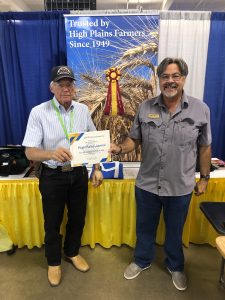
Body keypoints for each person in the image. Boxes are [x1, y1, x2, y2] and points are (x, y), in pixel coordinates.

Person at [111, 57, 211, 291]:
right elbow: (134, 140)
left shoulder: (200, 109)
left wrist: (204, 178)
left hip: (180, 186)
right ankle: (141, 260)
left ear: (183, 79)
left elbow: (205, 146)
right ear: (159, 79)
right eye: (165, 76)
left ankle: (176, 266)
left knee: (175, 232)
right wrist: (119, 148)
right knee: (144, 228)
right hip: (147, 185)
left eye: (175, 76)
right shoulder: (146, 107)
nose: (170, 81)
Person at [22, 66, 103, 287]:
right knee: (53, 222)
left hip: (78, 173)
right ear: (52, 87)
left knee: (78, 217)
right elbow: (29, 151)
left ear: (74, 87)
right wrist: (50, 153)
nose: (66, 88)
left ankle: (72, 252)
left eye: (69, 84)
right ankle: (54, 262)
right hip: (52, 175)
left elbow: (94, 140)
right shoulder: (39, 112)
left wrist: (96, 168)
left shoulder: (83, 110)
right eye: (61, 84)